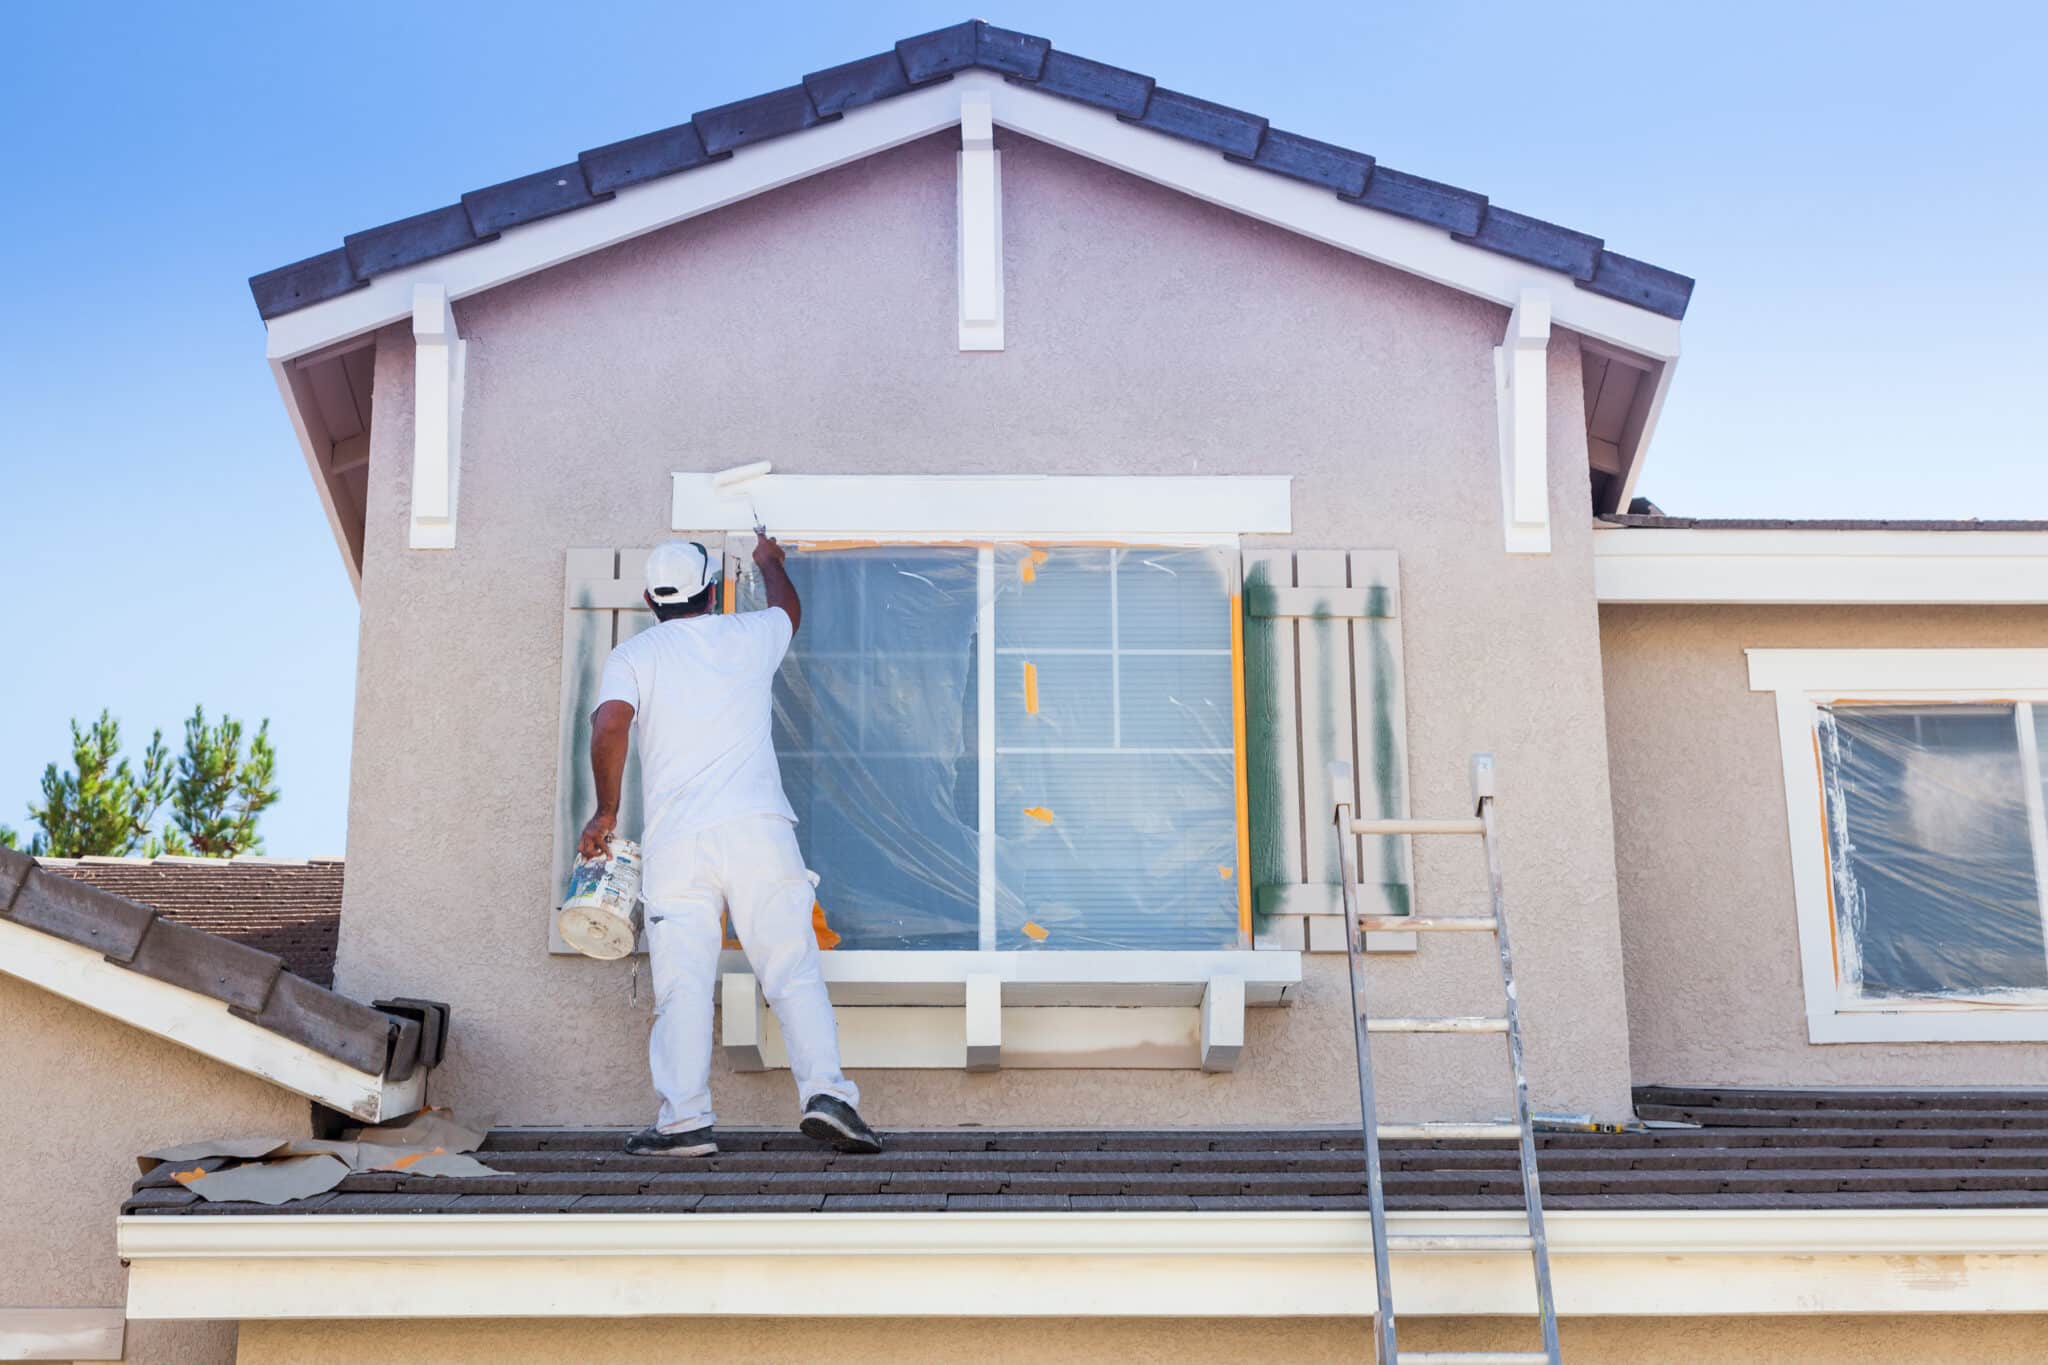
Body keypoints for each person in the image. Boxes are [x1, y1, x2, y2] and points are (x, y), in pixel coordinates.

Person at [579, 535, 881, 1157]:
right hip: (758, 833)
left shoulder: (633, 655)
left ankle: (684, 1122)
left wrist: (606, 811)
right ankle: (829, 1096)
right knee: (791, 970)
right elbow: (787, 611)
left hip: (678, 846)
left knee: (682, 985)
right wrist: (771, 563)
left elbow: (609, 724)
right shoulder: (747, 636)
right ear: (712, 592)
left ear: (647, 601)